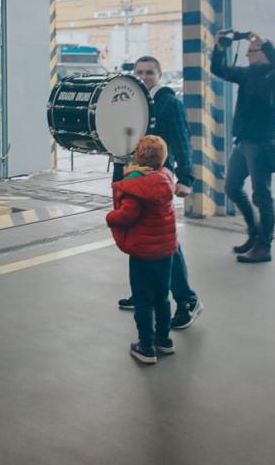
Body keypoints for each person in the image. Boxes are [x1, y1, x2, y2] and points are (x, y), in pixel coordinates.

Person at [117, 56, 203, 331]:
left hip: (157, 185)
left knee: (165, 241)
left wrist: (187, 178)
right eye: (139, 72)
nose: (144, 77)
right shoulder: (132, 102)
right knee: (137, 238)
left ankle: (187, 299)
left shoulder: (168, 102)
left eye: (149, 72)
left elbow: (182, 140)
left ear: (159, 74)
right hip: (134, 179)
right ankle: (142, 292)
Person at [211, 31, 275, 262]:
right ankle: (254, 233)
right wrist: (219, 48)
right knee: (232, 187)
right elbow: (219, 70)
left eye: (251, 51)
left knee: (262, 196)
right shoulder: (248, 74)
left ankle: (264, 247)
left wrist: (264, 43)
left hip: (262, 144)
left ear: (264, 54)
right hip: (243, 142)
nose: (247, 55)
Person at [107, 135, 178, 364]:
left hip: (143, 253)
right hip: (165, 251)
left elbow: (128, 214)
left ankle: (146, 347)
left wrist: (110, 217)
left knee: (143, 300)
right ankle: (163, 340)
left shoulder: (137, 185)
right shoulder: (165, 179)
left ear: (138, 156)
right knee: (162, 297)